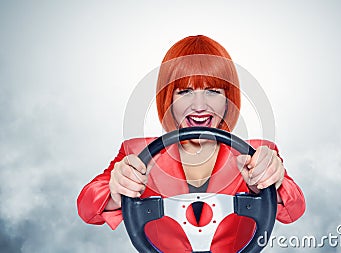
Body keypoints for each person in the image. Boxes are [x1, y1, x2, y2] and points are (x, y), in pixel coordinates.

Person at [77, 35, 305, 252]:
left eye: (213, 91)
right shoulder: (138, 153)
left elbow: (295, 208)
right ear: (168, 99)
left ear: (228, 100)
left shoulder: (256, 153)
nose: (199, 106)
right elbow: (86, 208)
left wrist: (270, 182)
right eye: (184, 91)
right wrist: (116, 191)